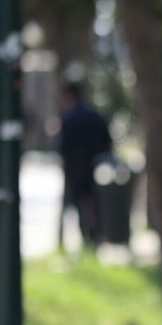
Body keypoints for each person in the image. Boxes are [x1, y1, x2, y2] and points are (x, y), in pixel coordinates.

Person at [56, 82, 112, 248]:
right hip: (94, 167)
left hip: (76, 169)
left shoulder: (69, 118)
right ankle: (95, 237)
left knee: (80, 204)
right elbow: (106, 141)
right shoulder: (94, 116)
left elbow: (63, 146)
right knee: (93, 203)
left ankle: (88, 239)